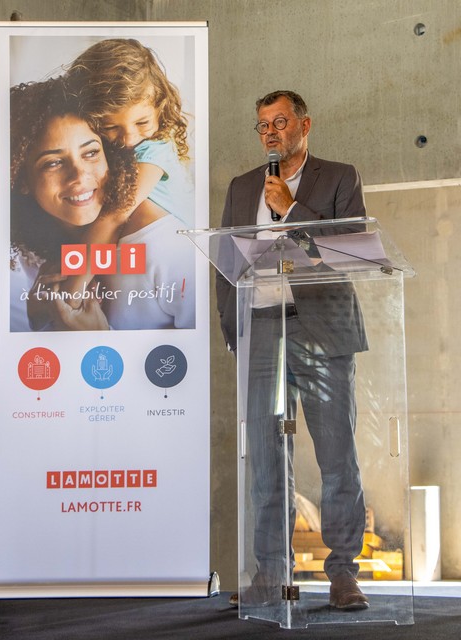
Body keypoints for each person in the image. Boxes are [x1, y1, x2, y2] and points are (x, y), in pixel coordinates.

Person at [216, 90, 369, 610]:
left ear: (305, 124)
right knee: (266, 458)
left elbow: (350, 249)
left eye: (280, 121)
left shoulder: (339, 177)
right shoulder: (241, 187)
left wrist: (293, 210)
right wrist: (232, 329)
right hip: (261, 328)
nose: (270, 132)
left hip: (322, 328)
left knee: (336, 455)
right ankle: (270, 574)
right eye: (262, 125)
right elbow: (224, 261)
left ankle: (343, 573)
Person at [57, 37, 195, 329]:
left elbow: (116, 214)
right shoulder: (108, 151)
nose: (130, 138)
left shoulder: (157, 145)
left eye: (141, 123)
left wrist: (73, 290)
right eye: (111, 127)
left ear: (160, 106)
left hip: (170, 261)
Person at [10, 76, 137, 332]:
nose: (79, 176)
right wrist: (36, 320)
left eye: (91, 152)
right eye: (53, 163)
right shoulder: (21, 263)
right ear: (22, 179)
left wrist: (98, 335)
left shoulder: (154, 240)